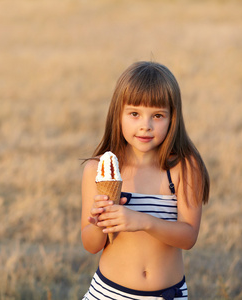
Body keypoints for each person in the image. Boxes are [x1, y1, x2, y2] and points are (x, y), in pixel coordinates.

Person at [81, 61, 210, 300]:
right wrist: (99, 222)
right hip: (109, 293)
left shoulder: (184, 168)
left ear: (173, 118)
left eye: (158, 115)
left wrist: (141, 221)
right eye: (134, 114)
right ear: (117, 114)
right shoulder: (98, 169)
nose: (145, 126)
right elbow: (90, 245)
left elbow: (188, 237)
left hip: (166, 294)